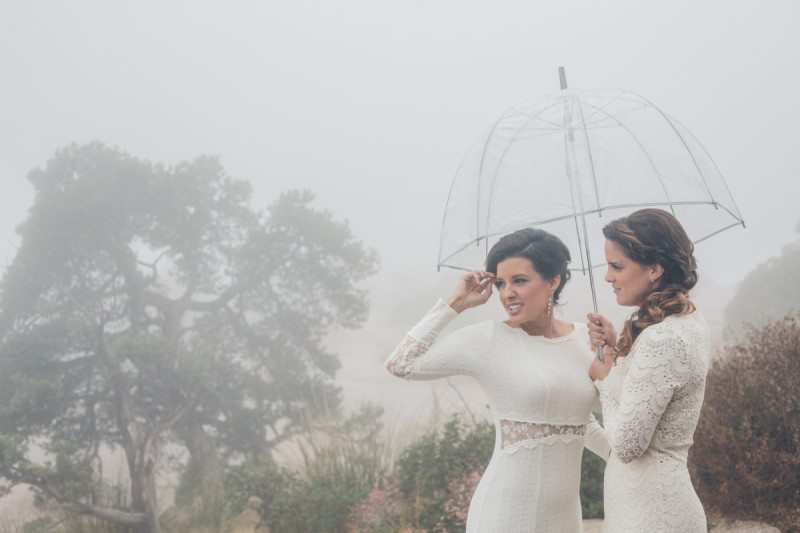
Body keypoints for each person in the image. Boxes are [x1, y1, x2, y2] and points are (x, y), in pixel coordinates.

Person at [385, 228, 609, 532]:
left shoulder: (586, 338)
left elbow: (578, 422)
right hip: (505, 515)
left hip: (564, 518)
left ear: (553, 280)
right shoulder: (489, 340)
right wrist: (457, 302)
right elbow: (401, 364)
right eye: (501, 283)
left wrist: (631, 459)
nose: (507, 294)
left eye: (519, 281)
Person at [586, 208, 710, 532]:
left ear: (655, 268)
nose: (607, 277)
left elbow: (627, 445)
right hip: (644, 508)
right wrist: (618, 349)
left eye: (617, 266)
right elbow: (652, 385)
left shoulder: (662, 338)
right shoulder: (684, 322)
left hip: (653, 516)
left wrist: (604, 379)